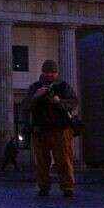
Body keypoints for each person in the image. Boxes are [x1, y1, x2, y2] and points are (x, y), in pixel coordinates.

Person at [20, 59, 79, 197]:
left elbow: (74, 103)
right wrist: (36, 96)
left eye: (53, 72)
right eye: (47, 72)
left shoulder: (64, 87)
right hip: (40, 130)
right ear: (43, 72)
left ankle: (68, 187)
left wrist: (59, 102)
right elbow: (24, 106)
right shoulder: (35, 87)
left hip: (61, 130)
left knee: (64, 160)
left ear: (57, 73)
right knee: (41, 162)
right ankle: (43, 186)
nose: (50, 75)